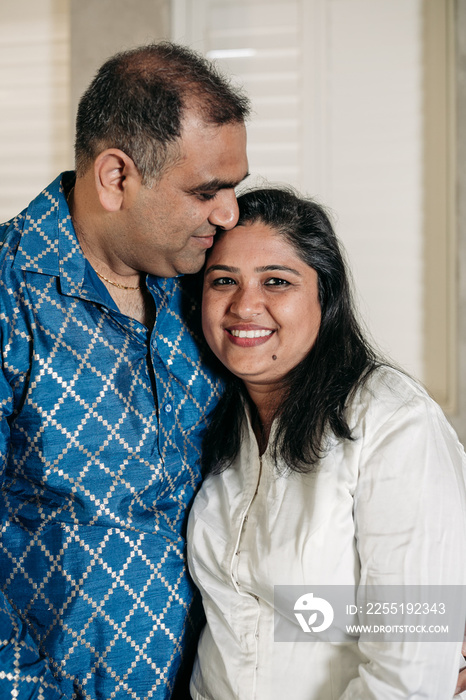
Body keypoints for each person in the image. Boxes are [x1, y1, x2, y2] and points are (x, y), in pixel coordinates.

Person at [0, 42, 249, 699]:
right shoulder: (8, 297)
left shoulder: (215, 290)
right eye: (206, 191)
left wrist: (419, 628)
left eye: (234, 188)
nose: (228, 214)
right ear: (116, 178)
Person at [187, 187, 466, 699]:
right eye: (223, 281)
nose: (246, 305)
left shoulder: (392, 422)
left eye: (277, 281)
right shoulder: (211, 419)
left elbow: (409, 676)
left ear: (326, 296)